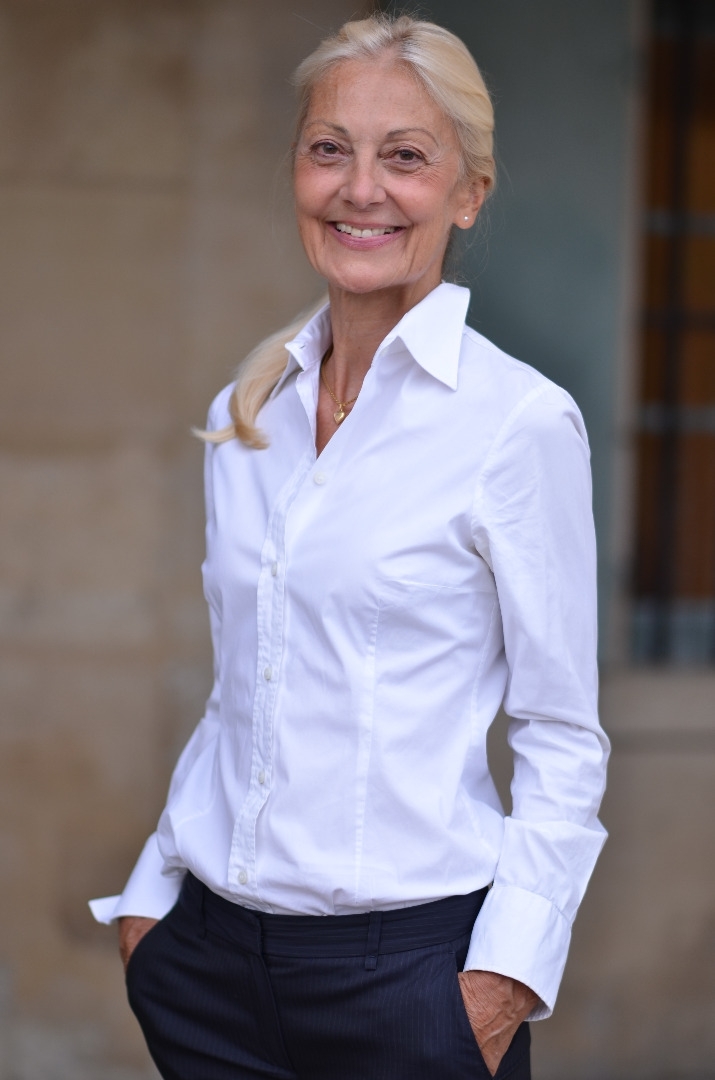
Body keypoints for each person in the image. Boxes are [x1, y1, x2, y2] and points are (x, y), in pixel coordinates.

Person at [91, 13, 609, 1080]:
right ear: (297, 171)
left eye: (404, 157)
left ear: (468, 193)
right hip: (209, 976)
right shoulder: (247, 417)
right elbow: (243, 688)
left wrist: (498, 987)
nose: (359, 189)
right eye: (330, 149)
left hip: (410, 990)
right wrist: (151, 905)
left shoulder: (517, 424)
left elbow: (561, 735)